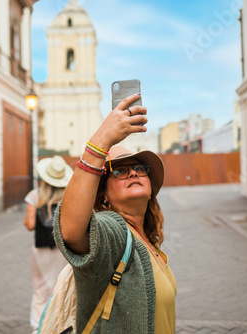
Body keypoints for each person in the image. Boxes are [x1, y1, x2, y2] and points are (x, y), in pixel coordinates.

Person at [53, 93, 177, 333]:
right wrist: (101, 141)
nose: (132, 173)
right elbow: (70, 231)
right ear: (104, 195)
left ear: (151, 187)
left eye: (139, 168)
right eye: (119, 171)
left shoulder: (149, 242)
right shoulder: (114, 231)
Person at [23, 155, 73, 332]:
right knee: (63, 287)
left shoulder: (35, 195)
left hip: (41, 250)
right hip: (64, 248)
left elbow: (29, 225)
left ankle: (39, 327)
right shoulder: (70, 196)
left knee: (40, 290)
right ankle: (60, 326)